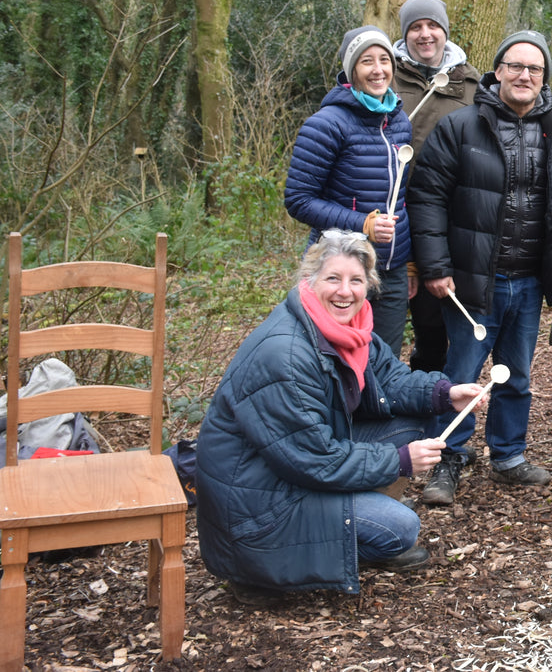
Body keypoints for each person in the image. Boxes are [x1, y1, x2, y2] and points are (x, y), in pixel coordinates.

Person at [196, 231, 491, 602]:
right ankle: (262, 573)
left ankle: (350, 520)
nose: (345, 291)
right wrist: (398, 461)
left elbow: (390, 379)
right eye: (333, 278)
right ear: (309, 281)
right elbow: (313, 459)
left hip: (294, 468)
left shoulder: (350, 328)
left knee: (419, 420)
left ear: (369, 285)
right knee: (400, 529)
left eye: (356, 280)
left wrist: (445, 394)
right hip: (258, 509)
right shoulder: (286, 355)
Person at [408, 29, 552, 503]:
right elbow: (427, 197)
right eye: (515, 66)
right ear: (498, 72)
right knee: (461, 374)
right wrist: (435, 266)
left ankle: (509, 456)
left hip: (529, 280)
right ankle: (448, 458)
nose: (524, 75)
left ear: (544, 77)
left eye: (534, 68)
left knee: (517, 375)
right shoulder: (459, 127)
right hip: (471, 281)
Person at [285, 26, 414, 355]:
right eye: (366, 61)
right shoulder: (326, 124)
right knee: (335, 361)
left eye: (384, 60)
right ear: (351, 70)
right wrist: (363, 224)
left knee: (383, 361)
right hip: (339, 269)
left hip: (391, 270)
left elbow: (401, 198)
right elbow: (298, 200)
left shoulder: (399, 122)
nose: (378, 69)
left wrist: (410, 261)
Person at [391, 0, 483, 374]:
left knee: (445, 316)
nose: (425, 34)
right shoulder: (386, 76)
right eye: (416, 27)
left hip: (453, 217)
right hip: (396, 216)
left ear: (445, 31)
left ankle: (443, 390)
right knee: (405, 318)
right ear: (405, 34)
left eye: (432, 26)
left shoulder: (472, 83)